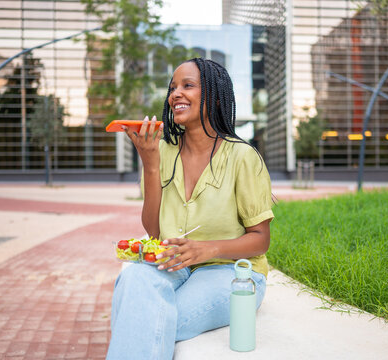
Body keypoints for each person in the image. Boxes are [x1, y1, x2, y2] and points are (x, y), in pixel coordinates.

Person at [106, 58, 274, 360]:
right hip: (174, 266)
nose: (175, 94)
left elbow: (260, 239)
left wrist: (206, 249)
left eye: (188, 85)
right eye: (172, 88)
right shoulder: (161, 150)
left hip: (229, 272)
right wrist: (150, 164)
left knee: (145, 318)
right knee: (133, 279)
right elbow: (153, 230)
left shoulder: (243, 157)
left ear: (215, 95)